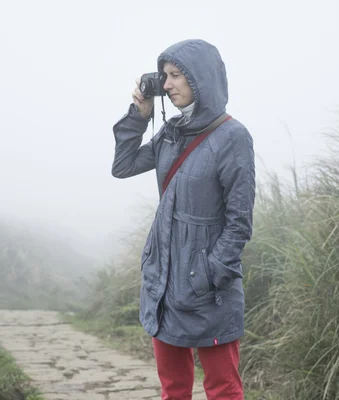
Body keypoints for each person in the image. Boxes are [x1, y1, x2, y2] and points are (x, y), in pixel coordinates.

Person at [111, 39, 255, 399]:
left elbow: (239, 222)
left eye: (176, 75)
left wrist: (208, 274)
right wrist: (139, 115)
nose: (167, 84)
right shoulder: (172, 131)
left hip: (208, 287)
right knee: (173, 388)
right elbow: (123, 166)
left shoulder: (232, 137)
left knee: (223, 388)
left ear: (200, 79)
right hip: (164, 279)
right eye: (164, 76)